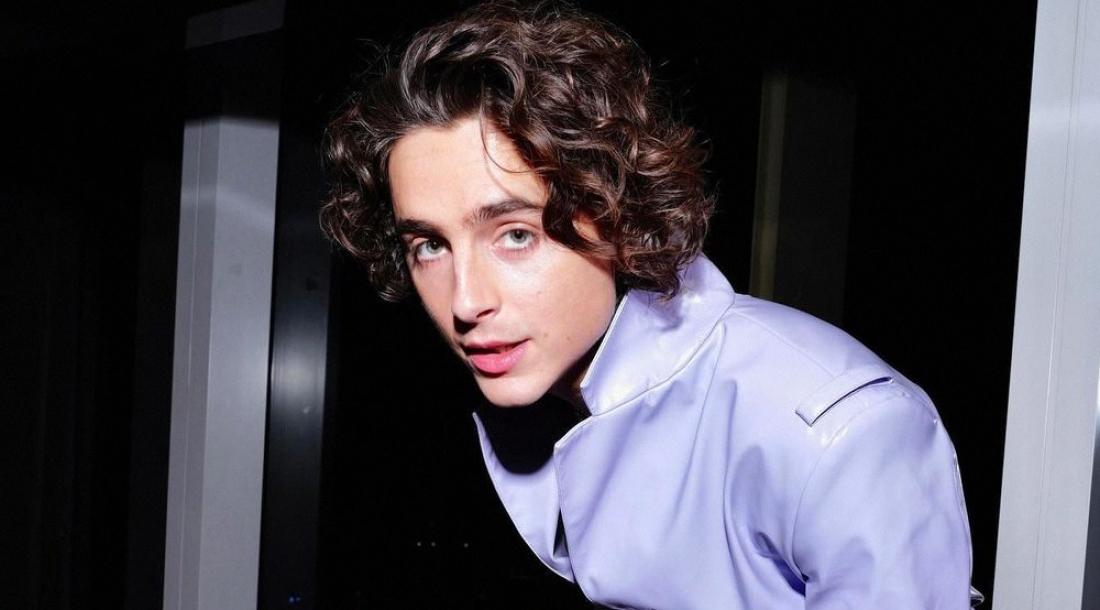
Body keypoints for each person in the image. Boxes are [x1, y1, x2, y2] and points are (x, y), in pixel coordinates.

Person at [320, 1, 981, 607]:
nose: (465, 302)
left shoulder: (842, 433)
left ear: (614, 209)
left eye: (516, 235)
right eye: (430, 245)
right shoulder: (550, 392)